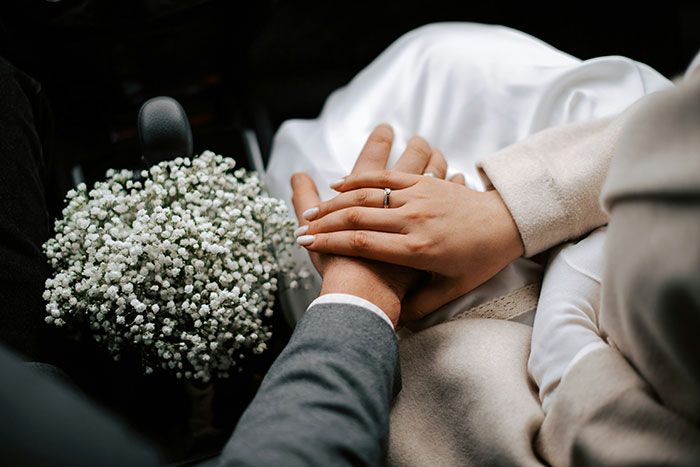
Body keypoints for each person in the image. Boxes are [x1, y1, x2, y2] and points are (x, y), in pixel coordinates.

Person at [287, 29, 700, 466]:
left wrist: (358, 295)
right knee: (435, 64)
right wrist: (513, 211)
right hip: (624, 172)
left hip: (510, 389)